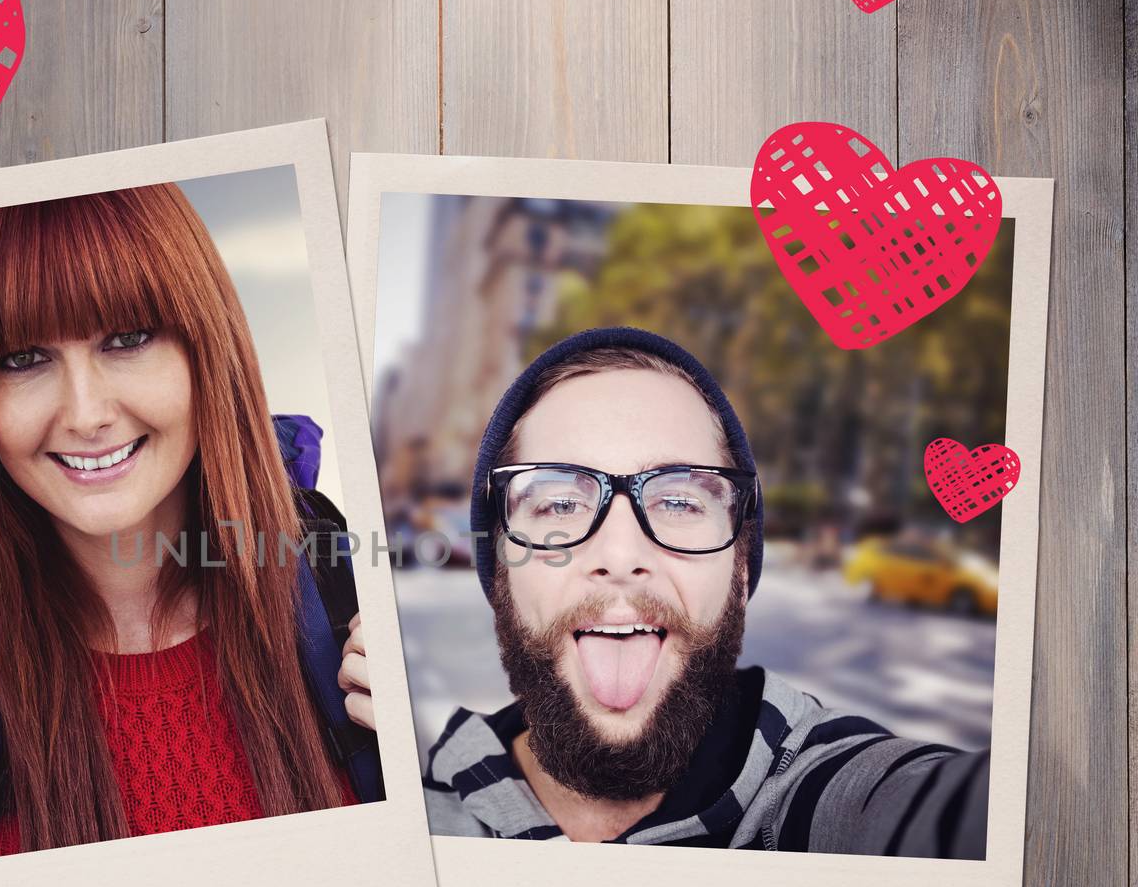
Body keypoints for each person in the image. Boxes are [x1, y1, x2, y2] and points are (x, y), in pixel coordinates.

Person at [0, 184, 381, 877]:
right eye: (22, 358)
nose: (86, 414)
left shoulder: (366, 623)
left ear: (204, 351)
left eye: (127, 339)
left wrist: (429, 765)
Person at [421, 325, 989, 857]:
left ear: (742, 572)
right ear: (501, 570)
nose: (621, 558)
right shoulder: (407, 809)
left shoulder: (833, 789)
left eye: (679, 502)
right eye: (560, 504)